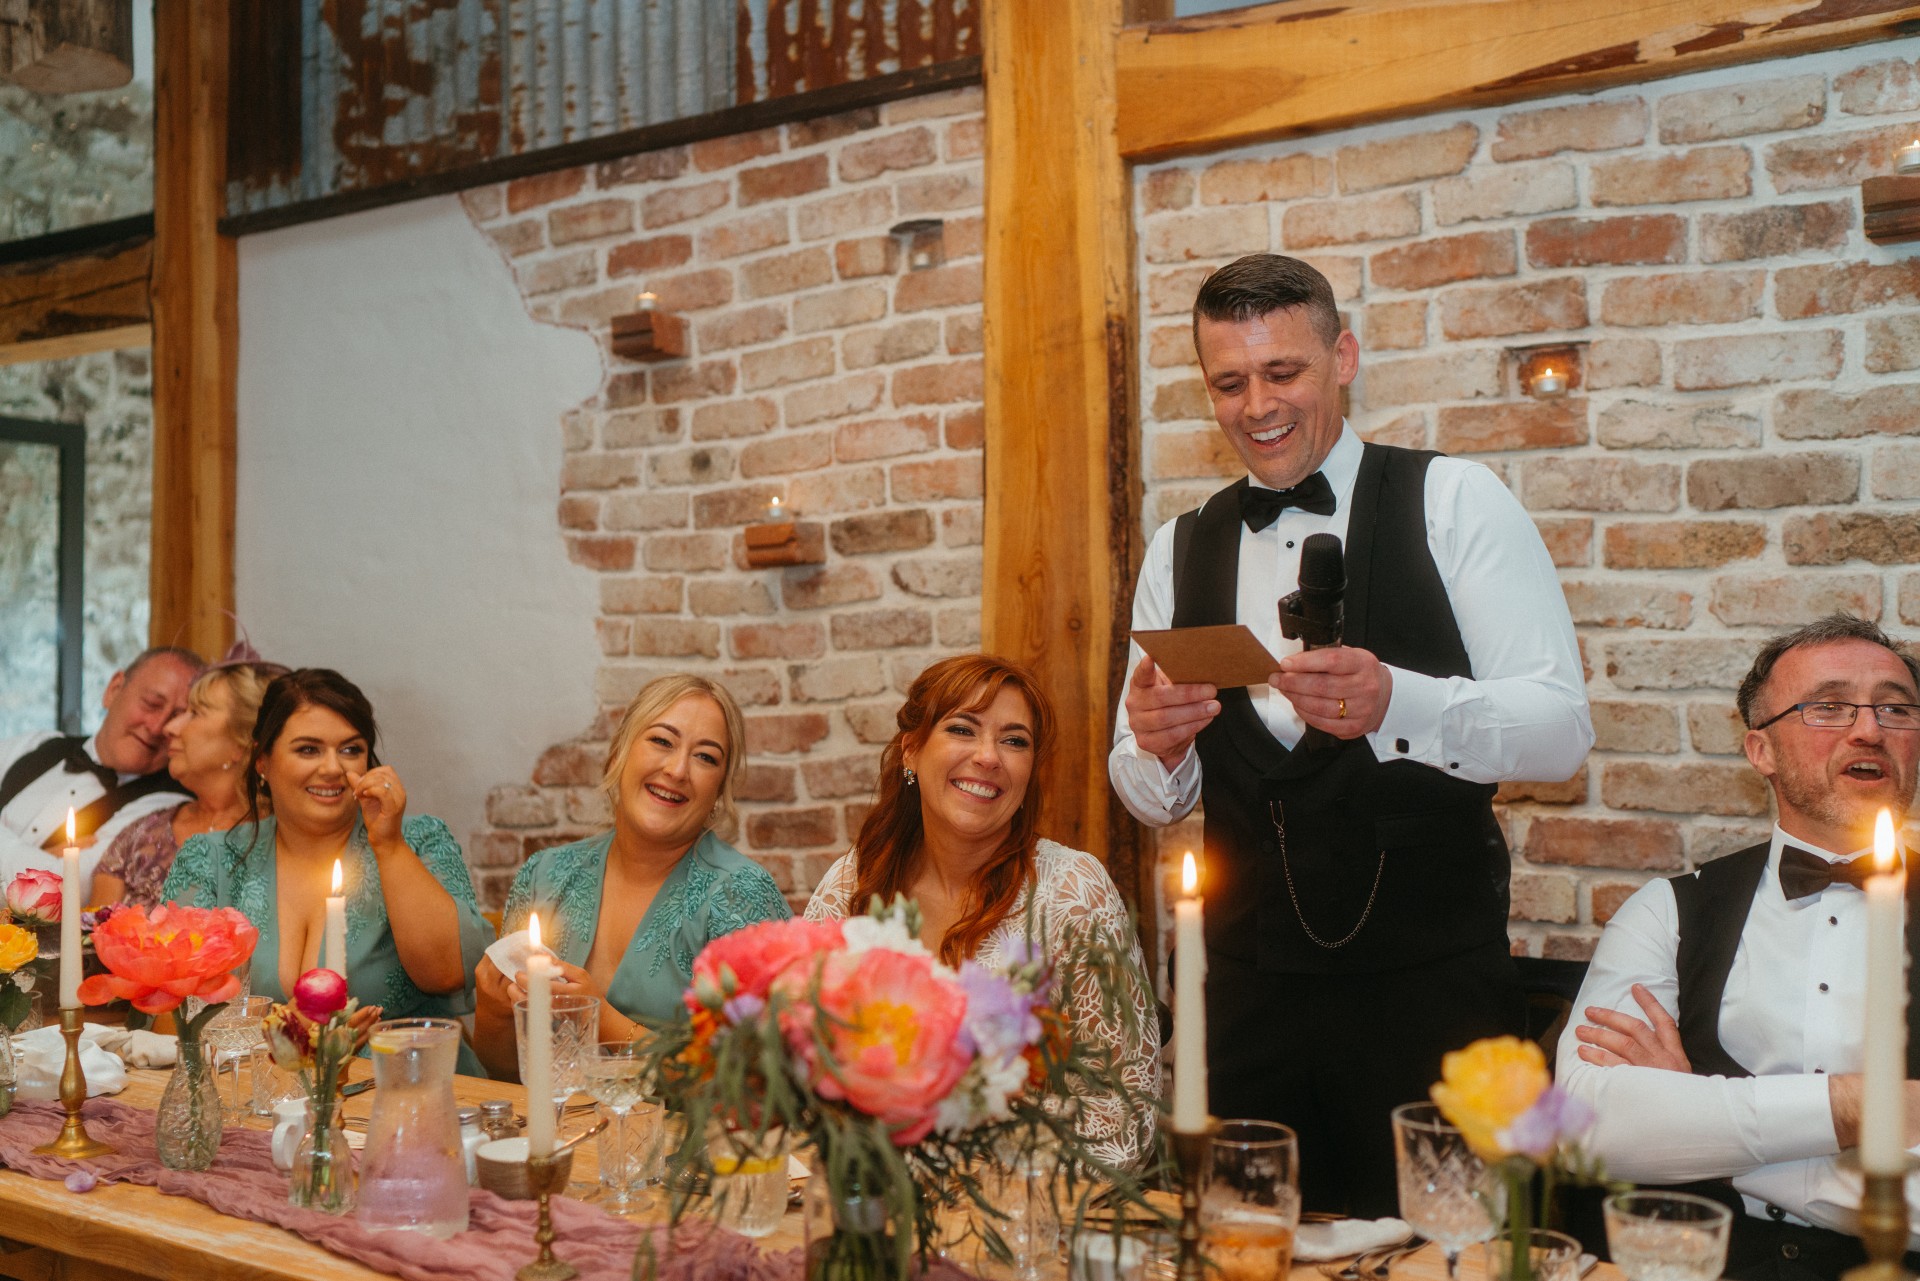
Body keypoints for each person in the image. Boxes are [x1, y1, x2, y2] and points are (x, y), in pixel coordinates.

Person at [1109, 253, 1592, 1214]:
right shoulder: (1180, 545)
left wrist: (1399, 704)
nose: (1257, 405)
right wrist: (1156, 747)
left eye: (1282, 372)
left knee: (1443, 1262)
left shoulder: (1456, 502)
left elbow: (1561, 732)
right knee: (1243, 1255)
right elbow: (1146, 787)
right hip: (1243, 1000)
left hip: (1427, 998)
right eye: (1229, 382)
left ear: (1344, 357)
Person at [1559, 614, 1920, 1280]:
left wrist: (1701, 1120)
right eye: (1829, 706)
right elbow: (1587, 1130)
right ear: (1761, 751)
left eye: (1896, 708)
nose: (1870, 729)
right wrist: (1856, 1109)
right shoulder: (1666, 912)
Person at [809, 654, 1161, 1170]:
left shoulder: (1073, 893)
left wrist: (978, 1162)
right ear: (911, 750)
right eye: (962, 729)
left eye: (1014, 741)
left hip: (1025, 1213)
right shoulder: (853, 882)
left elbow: (1127, 1118)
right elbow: (797, 1052)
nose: (989, 757)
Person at [162, 668, 493, 1074]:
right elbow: (171, 1018)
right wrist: (285, 1041)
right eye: (308, 750)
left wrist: (388, 845)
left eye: (351, 750)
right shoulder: (210, 860)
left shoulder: (419, 840)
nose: (334, 768)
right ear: (262, 760)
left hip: (407, 1088)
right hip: (254, 1097)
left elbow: (448, 974)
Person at [473, 674, 789, 1078]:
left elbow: (755, 1081)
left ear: (718, 793)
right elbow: (506, 1071)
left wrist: (600, 1018)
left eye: (706, 757)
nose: (677, 770)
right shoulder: (545, 876)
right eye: (661, 741)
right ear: (617, 754)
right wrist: (494, 1012)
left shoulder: (740, 895)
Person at [90, 652, 284, 907]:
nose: (170, 729)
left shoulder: (284, 842)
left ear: (243, 742)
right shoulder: (141, 835)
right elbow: (92, 938)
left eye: (195, 713)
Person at [0, 647, 203, 883]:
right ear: (113, 689)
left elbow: (65, 886)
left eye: (177, 717)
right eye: (151, 704)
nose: (157, 727)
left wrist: (48, 873)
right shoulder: (35, 744)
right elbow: (44, 880)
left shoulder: (165, 808)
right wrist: (38, 863)